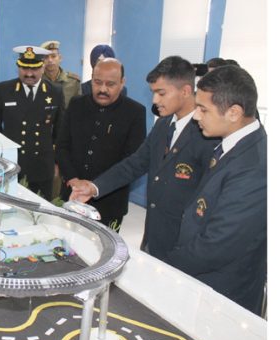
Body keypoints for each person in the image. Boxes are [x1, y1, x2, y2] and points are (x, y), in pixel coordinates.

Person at [70, 56, 217, 259]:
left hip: (186, 244)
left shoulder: (208, 134)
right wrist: (94, 187)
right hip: (155, 236)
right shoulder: (164, 124)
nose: (155, 101)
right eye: (153, 93)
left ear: (184, 91)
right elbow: (135, 164)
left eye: (161, 93)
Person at [165, 65, 266, 315]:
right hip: (202, 280)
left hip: (222, 294)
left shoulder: (254, 168)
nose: (196, 116)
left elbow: (217, 245)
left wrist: (164, 266)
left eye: (203, 109)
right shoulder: (230, 144)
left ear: (233, 112)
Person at [56, 58, 145, 230]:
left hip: (110, 201)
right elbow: (62, 146)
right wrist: (74, 180)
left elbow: (132, 159)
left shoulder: (134, 112)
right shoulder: (76, 105)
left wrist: (96, 186)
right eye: (97, 82)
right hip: (72, 195)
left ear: (122, 83)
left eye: (110, 84)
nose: (103, 89)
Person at [0, 46, 64, 200]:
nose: (29, 73)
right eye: (24, 68)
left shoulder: (55, 91)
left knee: (42, 211)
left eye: (34, 69)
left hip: (42, 165)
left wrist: (57, 162)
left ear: (43, 67)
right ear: (18, 67)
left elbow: (60, 131)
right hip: (13, 163)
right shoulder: (3, 90)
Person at [40, 40, 81, 108]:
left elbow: (79, 108)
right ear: (42, 60)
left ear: (60, 58)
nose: (50, 60)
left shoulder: (73, 82)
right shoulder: (37, 81)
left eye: (53, 56)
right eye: (46, 57)